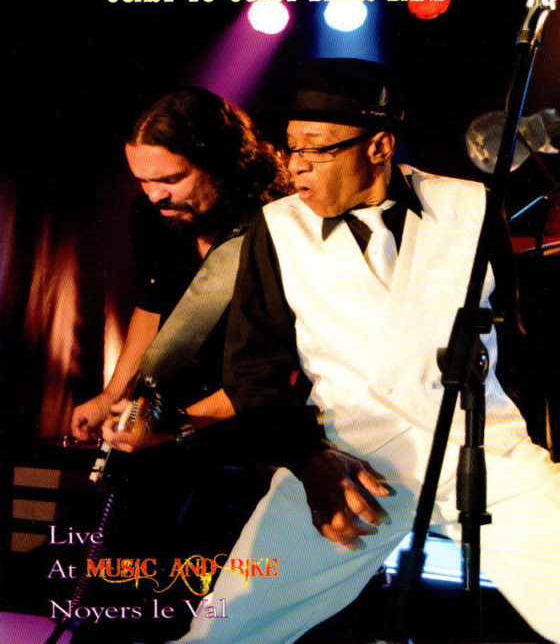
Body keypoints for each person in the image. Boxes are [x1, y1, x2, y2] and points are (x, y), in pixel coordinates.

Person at [175, 59, 560, 644]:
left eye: (317, 150)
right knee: (224, 632)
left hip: (484, 456)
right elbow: (252, 373)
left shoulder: (472, 206)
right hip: (350, 464)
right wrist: (309, 462)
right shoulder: (276, 228)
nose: (296, 166)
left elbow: (516, 344)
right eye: (291, 148)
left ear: (379, 146)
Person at [68, 86, 289, 641]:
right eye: (143, 181)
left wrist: (179, 427)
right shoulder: (155, 219)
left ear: (221, 160)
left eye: (171, 179)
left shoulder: (280, 227)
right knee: (116, 591)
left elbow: (277, 372)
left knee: (207, 604)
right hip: (164, 424)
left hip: (246, 431)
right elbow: (153, 306)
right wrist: (114, 393)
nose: (155, 196)